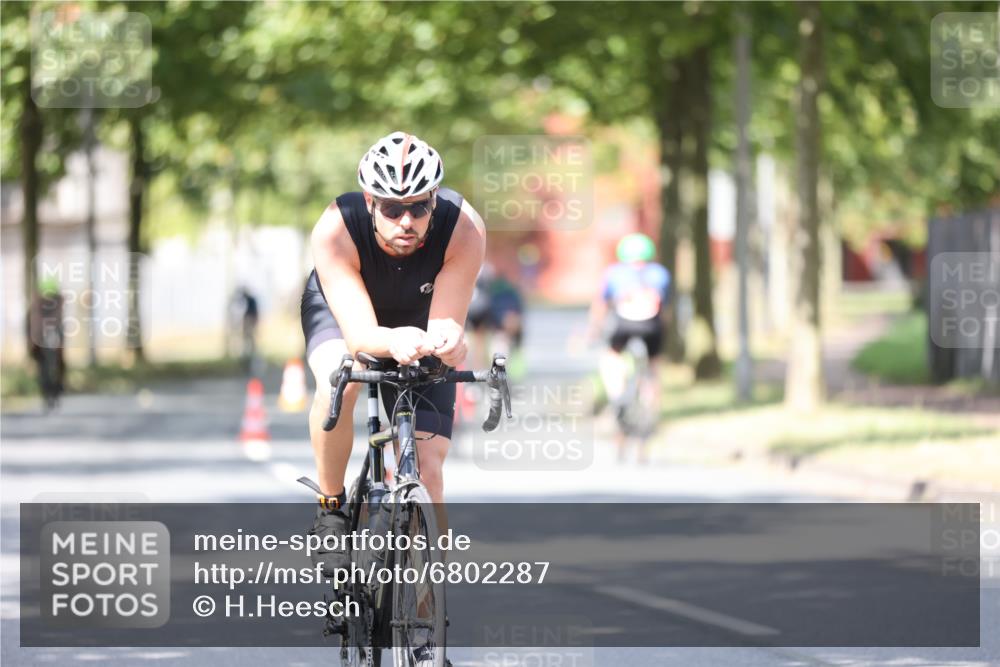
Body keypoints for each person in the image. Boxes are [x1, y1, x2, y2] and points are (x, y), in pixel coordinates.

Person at [299, 132, 485, 582]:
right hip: (347, 314)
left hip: (419, 318)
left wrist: (449, 341)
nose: (407, 220)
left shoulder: (464, 227)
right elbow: (361, 337)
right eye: (392, 209)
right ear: (369, 203)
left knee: (429, 469)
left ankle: (424, 612)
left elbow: (445, 322)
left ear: (434, 201)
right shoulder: (335, 227)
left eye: (419, 208)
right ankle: (331, 509)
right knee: (335, 381)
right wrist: (391, 340)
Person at [587, 233, 671, 456]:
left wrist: (593, 329)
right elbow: (666, 310)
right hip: (652, 327)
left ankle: (618, 396)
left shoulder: (614, 273)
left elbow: (601, 305)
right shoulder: (660, 273)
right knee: (653, 367)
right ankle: (650, 405)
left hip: (622, 326)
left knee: (611, 359)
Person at [27, 277, 66, 408]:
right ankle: (51, 393)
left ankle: (51, 393)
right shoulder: (55, 306)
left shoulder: (36, 306)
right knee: (50, 369)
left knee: (47, 369)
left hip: (45, 342)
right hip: (45, 342)